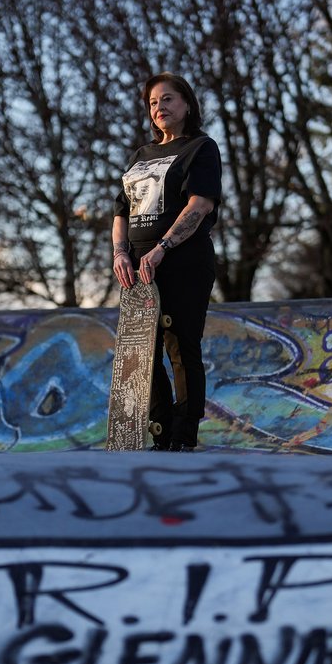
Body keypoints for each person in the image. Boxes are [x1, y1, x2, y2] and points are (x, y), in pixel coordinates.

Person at [112, 72, 221, 451]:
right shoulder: (140, 157)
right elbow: (121, 210)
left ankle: (183, 433)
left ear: (187, 104)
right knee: (142, 351)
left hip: (183, 262)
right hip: (139, 270)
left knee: (180, 345)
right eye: (153, 103)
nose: (160, 107)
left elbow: (200, 204)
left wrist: (163, 246)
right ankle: (158, 431)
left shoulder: (201, 148)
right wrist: (120, 252)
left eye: (168, 99)